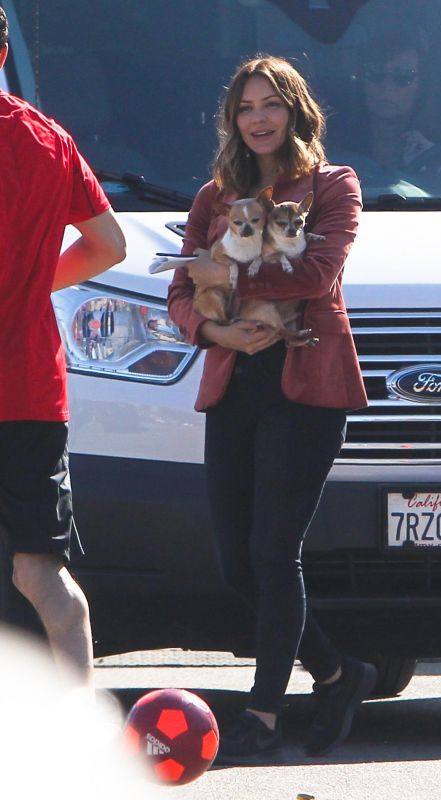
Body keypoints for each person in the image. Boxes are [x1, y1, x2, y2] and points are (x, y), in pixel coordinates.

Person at [167, 54, 377, 762]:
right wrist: (210, 327)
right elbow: (178, 292)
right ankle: (340, 675)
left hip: (307, 384)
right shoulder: (212, 195)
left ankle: (259, 716)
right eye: (245, 107)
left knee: (271, 551)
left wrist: (223, 271)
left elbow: (318, 273)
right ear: (232, 120)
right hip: (233, 382)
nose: (258, 118)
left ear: (295, 110)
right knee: (235, 563)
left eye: (271, 104)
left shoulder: (331, 186)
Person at [0, 6, 126, 692]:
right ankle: (80, 735)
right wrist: (26, 280)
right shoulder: (49, 138)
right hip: (30, 391)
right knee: (39, 571)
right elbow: (109, 246)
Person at [355, 32, 434, 169]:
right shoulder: (331, 146)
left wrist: (431, 163)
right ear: (362, 81)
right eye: (375, 72)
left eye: (404, 76)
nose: (387, 87)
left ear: (420, 87)